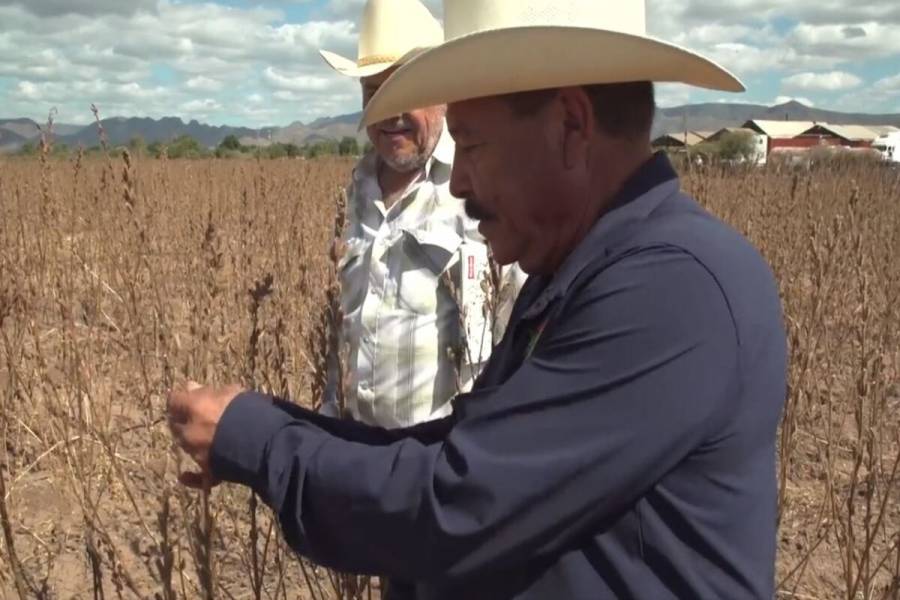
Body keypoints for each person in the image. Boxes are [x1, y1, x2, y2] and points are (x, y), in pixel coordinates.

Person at [167, 0, 788, 598]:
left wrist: (263, 442)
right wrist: (265, 424)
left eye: (472, 142)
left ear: (572, 126)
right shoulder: (574, 270)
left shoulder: (673, 289)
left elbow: (460, 502)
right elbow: (462, 447)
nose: (459, 181)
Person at [317, 0, 524, 428]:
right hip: (351, 457)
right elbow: (340, 332)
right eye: (374, 94)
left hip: (441, 468)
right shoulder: (354, 192)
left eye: (405, 93)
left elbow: (517, 336)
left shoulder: (486, 187)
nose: (390, 114)